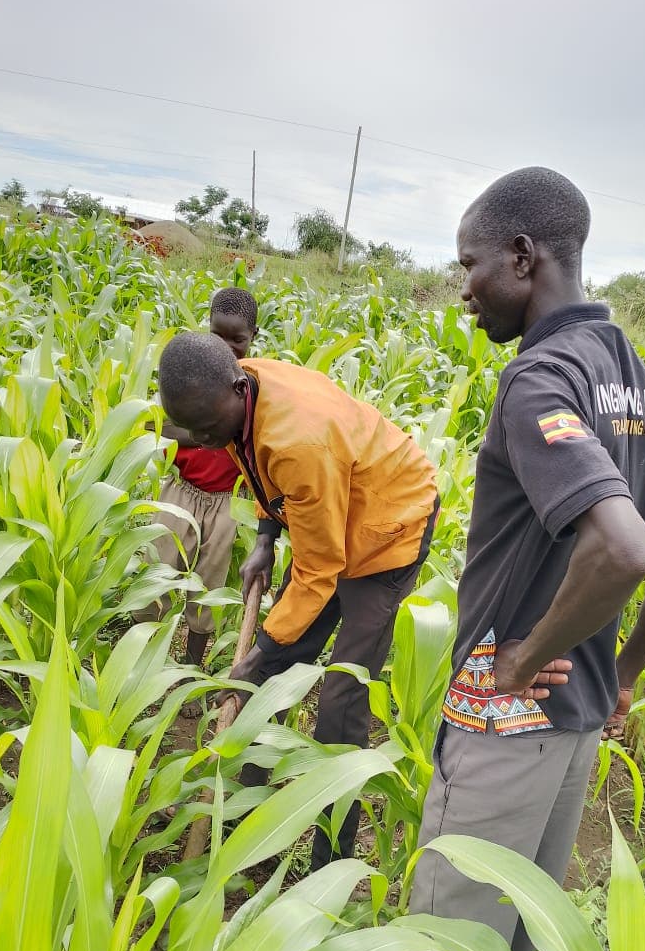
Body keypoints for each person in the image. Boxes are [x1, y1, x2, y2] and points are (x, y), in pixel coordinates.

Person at [328, 167, 645, 951]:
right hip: (577, 722)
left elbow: (623, 548)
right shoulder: (635, 375)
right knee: (514, 940)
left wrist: (513, 657)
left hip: (508, 723)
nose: (464, 286)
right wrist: (620, 675)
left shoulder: (541, 376)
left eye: (470, 264)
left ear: (523, 256)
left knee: (455, 940)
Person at [157, 332, 439, 869]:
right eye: (191, 428)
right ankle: (246, 809)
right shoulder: (242, 391)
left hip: (388, 528)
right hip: (331, 511)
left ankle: (328, 861)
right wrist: (265, 534)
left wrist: (262, 646)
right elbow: (254, 456)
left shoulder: (299, 442)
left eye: (207, 427)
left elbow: (321, 571)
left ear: (238, 387)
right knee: (270, 672)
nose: (202, 439)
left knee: (340, 699)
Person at [141, 287, 258, 672]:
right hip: (182, 491)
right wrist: (202, 433)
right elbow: (155, 424)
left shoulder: (252, 383)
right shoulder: (191, 373)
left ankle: (191, 666)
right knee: (155, 571)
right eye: (218, 335)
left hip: (226, 502)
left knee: (208, 586)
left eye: (237, 339)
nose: (227, 346)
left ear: (252, 338)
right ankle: (140, 656)